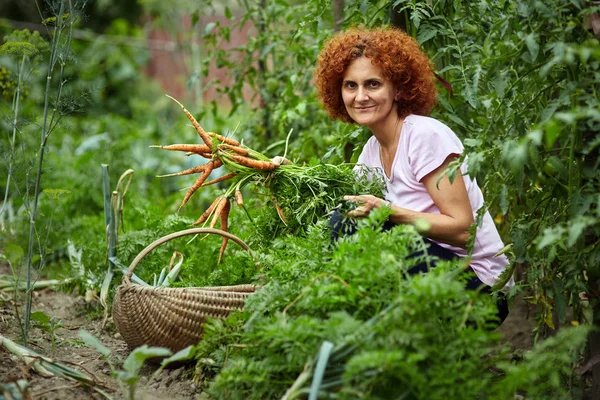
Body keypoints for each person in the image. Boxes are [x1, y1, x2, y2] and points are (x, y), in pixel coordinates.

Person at [312, 26, 512, 324]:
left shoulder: (424, 136)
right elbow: (343, 204)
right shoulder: (370, 152)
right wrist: (284, 171)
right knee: (342, 221)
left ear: (399, 88)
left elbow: (463, 231)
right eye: (350, 86)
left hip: (479, 288)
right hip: (431, 271)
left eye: (373, 84)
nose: (361, 96)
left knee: (349, 227)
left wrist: (388, 212)